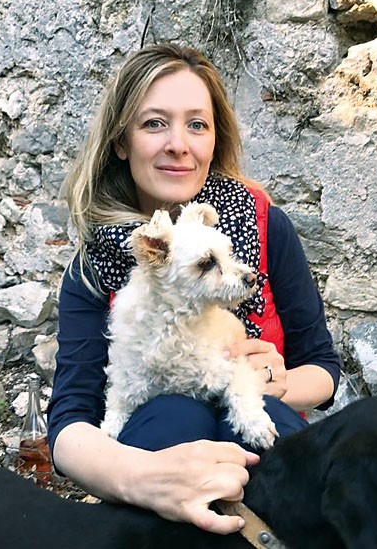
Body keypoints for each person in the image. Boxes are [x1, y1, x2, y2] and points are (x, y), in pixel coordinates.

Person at [47, 43, 341, 535]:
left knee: (255, 424)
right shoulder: (94, 264)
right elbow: (69, 422)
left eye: (197, 125)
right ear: (121, 142)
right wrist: (142, 479)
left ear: (214, 139)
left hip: (262, 436)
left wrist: (273, 381)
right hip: (157, 452)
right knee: (173, 414)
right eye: (154, 123)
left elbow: (323, 370)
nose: (178, 144)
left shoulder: (265, 226)